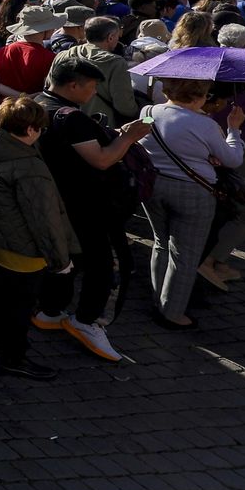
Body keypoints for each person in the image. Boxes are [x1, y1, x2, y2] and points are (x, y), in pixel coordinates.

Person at [32, 60, 150, 362]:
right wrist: (128, 138)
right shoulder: (71, 118)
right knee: (106, 264)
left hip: (52, 200)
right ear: (73, 85)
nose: (95, 92)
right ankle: (87, 321)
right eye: (91, 86)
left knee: (67, 260)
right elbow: (101, 160)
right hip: (88, 203)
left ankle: (50, 311)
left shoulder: (35, 102)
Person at [0, 97, 74, 381]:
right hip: (22, 246)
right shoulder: (28, 166)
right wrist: (60, 261)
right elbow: (44, 220)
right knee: (20, 303)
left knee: (2, 290)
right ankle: (14, 356)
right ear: (29, 130)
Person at [141, 78, 244, 329]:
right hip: (193, 191)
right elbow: (232, 159)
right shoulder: (205, 124)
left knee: (161, 243)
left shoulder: (148, 112)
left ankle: (159, 299)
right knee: (185, 254)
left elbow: (141, 137)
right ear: (199, 97)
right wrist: (234, 130)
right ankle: (172, 312)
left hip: (154, 185)